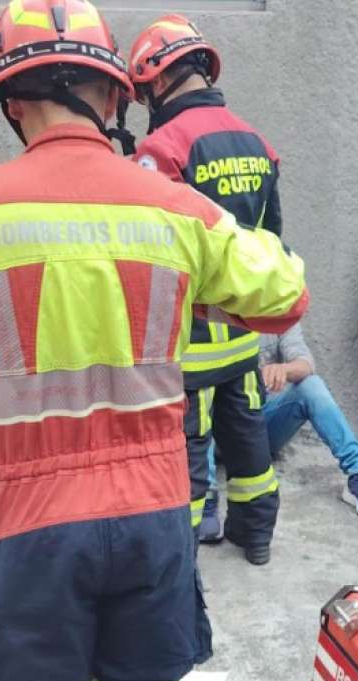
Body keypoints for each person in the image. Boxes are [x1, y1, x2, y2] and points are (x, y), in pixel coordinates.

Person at [0, 2, 308, 681]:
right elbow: (284, 293)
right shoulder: (174, 208)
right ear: (115, 98)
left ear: (9, 106)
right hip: (156, 510)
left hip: (32, 522)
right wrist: (205, 286)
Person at [129, 14, 285, 565]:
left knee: (188, 452)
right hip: (243, 338)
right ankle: (257, 536)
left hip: (186, 346)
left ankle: (184, 556)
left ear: (158, 78)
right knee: (249, 445)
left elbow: (150, 252)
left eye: (144, 89)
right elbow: (270, 243)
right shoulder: (257, 141)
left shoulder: (162, 148)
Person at [199, 323, 358, 540]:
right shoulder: (210, 310)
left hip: (258, 430)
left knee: (311, 385)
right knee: (201, 398)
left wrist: (283, 370)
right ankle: (205, 498)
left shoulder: (276, 311)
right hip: (213, 431)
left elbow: (305, 364)